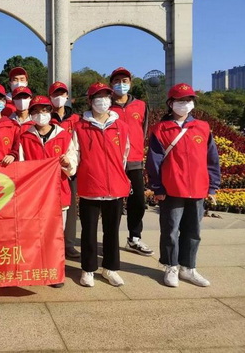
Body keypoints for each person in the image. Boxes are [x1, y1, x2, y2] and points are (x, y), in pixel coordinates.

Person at [146, 83, 220, 288]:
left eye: (188, 100)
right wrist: (157, 187)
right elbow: (153, 161)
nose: (185, 104)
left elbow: (212, 159)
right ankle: (171, 266)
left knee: (193, 231)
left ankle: (188, 267)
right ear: (171, 103)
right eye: (180, 100)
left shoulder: (202, 127)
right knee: (170, 230)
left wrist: (213, 186)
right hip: (172, 189)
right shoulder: (161, 129)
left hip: (197, 188)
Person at [73, 82, 131, 288]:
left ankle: (110, 268)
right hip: (90, 186)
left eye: (106, 96)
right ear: (90, 101)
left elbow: (124, 156)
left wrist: (117, 176)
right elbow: (75, 154)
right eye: (98, 97)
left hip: (115, 187)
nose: (103, 101)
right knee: (89, 231)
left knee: (112, 231)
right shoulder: (80, 127)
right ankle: (88, 269)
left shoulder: (121, 127)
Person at [19, 95, 78, 288]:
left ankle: (55, 272)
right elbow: (22, 166)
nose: (40, 114)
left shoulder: (64, 136)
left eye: (44, 110)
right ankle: (36, 269)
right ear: (31, 114)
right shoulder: (25, 137)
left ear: (50, 112)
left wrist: (67, 163)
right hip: (34, 196)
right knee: (35, 234)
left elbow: (73, 166)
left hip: (58, 194)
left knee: (56, 235)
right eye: (36, 111)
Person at [109, 67, 153, 256]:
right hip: (113, 163)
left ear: (130, 83)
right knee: (114, 204)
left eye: (124, 81)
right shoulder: (106, 106)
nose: (121, 84)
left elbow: (144, 131)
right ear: (111, 84)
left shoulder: (141, 105)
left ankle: (134, 238)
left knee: (138, 202)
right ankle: (111, 240)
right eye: (117, 81)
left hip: (134, 161)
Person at [49, 81, 81, 259]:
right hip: (50, 170)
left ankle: (69, 244)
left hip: (70, 168)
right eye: (55, 94)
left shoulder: (75, 119)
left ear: (67, 96)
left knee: (70, 208)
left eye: (62, 94)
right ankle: (52, 243)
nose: (59, 97)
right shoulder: (46, 117)